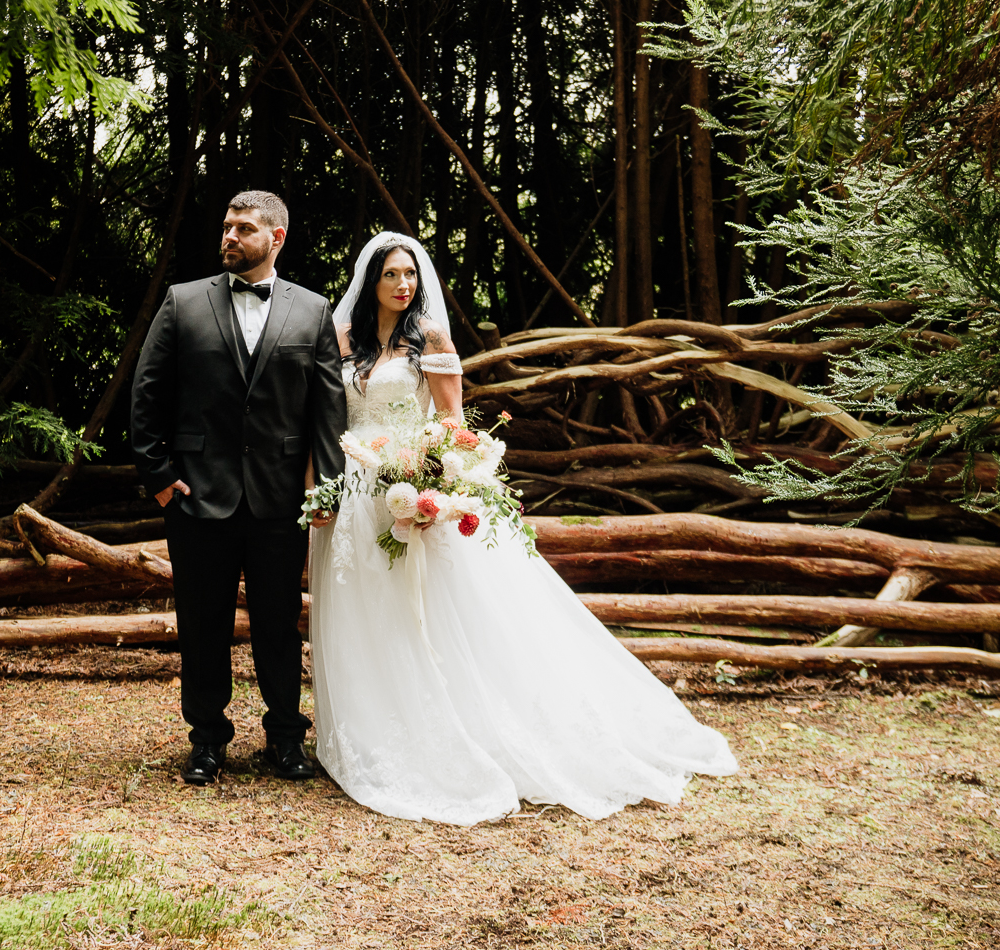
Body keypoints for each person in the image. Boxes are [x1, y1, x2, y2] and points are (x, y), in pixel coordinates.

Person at [307, 232, 739, 824]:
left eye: (410, 274)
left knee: (426, 616)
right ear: (369, 280)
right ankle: (369, 726)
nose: (404, 285)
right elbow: (323, 418)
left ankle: (447, 725)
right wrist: (323, 488)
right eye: (392, 276)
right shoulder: (342, 340)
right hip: (355, 494)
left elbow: (454, 422)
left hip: (411, 488)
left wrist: (430, 474)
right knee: (365, 612)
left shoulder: (430, 336)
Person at [129, 190, 348, 785]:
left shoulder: (312, 310)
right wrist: (159, 479)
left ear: (275, 238)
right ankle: (207, 741)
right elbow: (147, 395)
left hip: (280, 502)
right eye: (226, 225)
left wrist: (325, 489)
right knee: (203, 625)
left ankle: (285, 738)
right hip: (197, 497)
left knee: (280, 624)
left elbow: (328, 412)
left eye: (243, 228)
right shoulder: (182, 303)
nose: (228, 236)